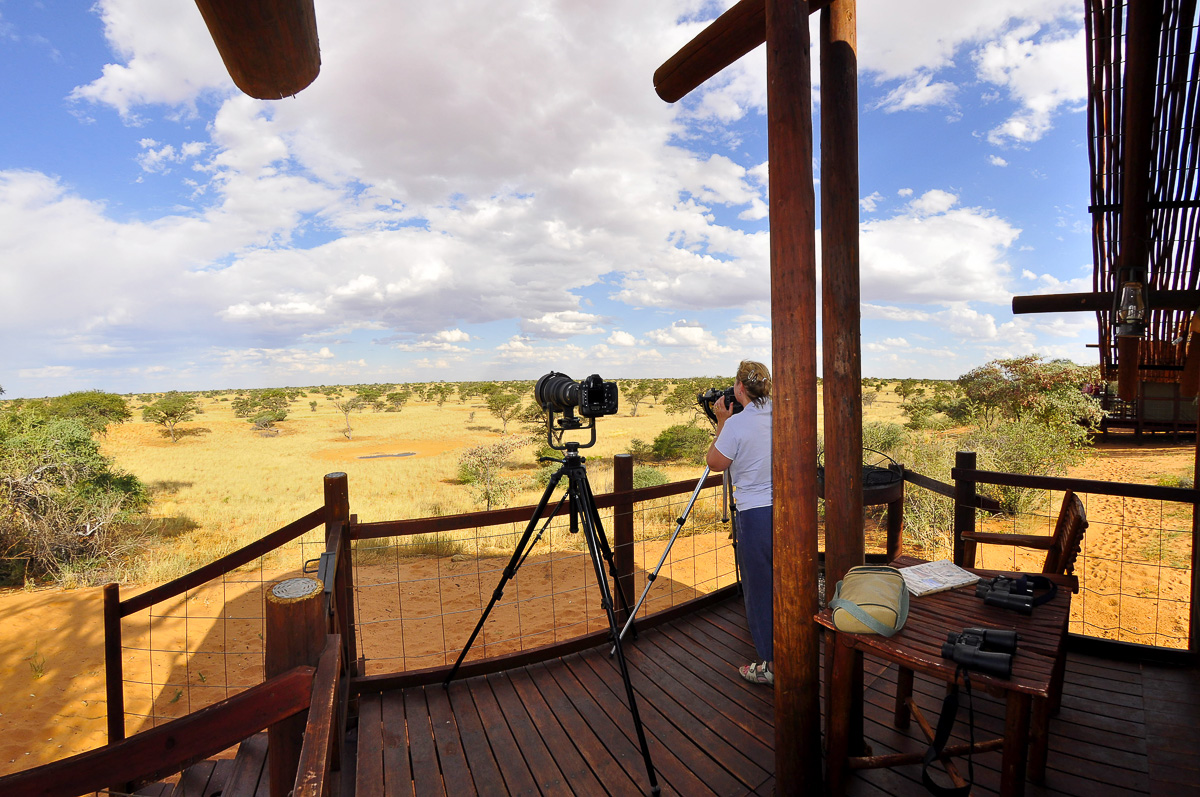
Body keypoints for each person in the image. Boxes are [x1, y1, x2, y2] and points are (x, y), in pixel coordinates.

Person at [705, 360, 773, 685]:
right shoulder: (781, 412)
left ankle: (770, 664)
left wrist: (721, 422)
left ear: (740, 388)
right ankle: (795, 649)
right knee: (786, 581)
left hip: (755, 514)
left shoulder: (737, 424)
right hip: (788, 510)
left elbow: (715, 462)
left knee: (759, 588)